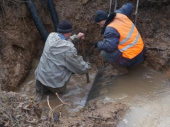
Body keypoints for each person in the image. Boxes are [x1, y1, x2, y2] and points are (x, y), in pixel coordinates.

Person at [35, 20, 90, 97]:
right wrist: (87, 66)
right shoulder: (69, 49)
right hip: (55, 85)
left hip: (40, 78)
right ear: (69, 32)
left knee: (39, 99)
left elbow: (63, 41)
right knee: (70, 68)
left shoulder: (51, 36)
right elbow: (79, 68)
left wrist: (76, 37)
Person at [94, 3, 145, 74]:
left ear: (102, 21)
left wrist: (98, 44)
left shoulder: (110, 29)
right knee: (113, 42)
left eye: (98, 24)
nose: (99, 26)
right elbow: (129, 5)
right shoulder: (119, 13)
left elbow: (110, 47)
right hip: (141, 51)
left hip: (132, 58)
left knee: (104, 53)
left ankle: (123, 71)